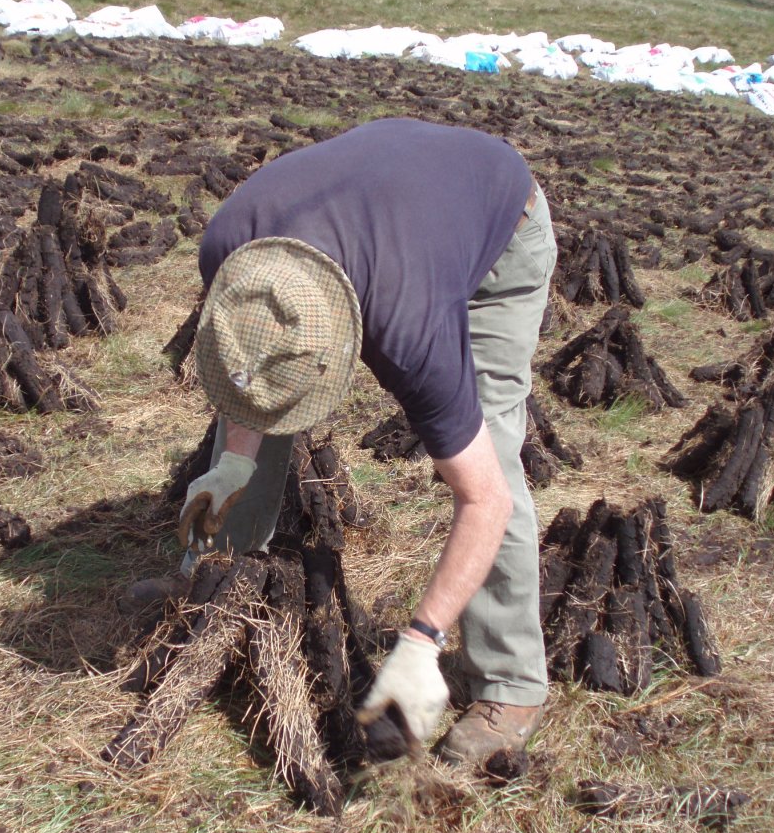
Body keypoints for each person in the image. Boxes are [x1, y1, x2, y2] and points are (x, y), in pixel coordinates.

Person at [168, 116, 556, 766]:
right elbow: (254, 371)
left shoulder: (411, 330)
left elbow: (484, 500)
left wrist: (421, 640)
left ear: (343, 349)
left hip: (500, 225)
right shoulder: (230, 248)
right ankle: (219, 600)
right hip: (397, 194)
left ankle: (513, 683)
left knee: (492, 449)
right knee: (263, 390)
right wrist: (234, 461)